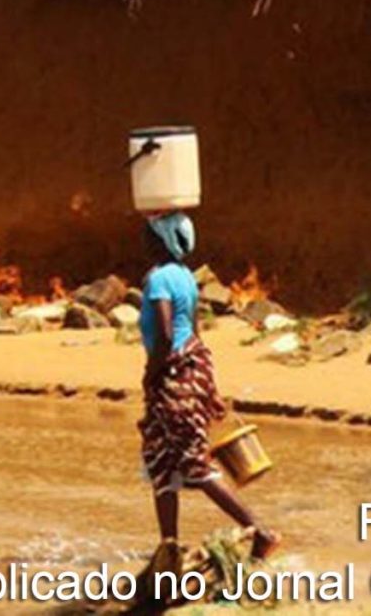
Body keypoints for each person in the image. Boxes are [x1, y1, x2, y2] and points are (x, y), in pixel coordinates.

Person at [136, 212, 279, 576]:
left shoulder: (158, 279)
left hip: (173, 377)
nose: (143, 241)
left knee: (193, 465)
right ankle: (168, 549)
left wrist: (150, 375)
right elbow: (195, 332)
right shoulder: (186, 276)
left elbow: (166, 336)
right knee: (161, 462)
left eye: (149, 235)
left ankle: (260, 531)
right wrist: (209, 390)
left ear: (161, 241)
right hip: (193, 373)